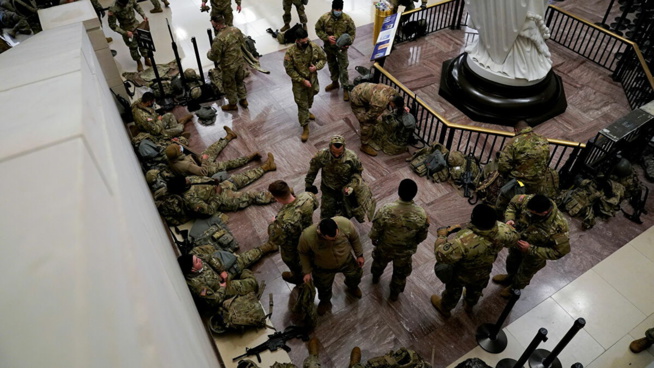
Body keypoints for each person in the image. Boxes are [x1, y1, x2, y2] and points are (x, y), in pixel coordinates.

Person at [431, 204, 519, 317]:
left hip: (461, 273)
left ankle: (445, 307)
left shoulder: (462, 242)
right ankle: (469, 305)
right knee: (476, 289)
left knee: (453, 290)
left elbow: (440, 255)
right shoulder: (504, 230)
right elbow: (514, 239)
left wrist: (442, 237)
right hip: (484, 270)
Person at [492, 194, 570, 297]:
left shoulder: (559, 227)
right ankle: (510, 277)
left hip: (534, 255)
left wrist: (531, 249)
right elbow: (513, 204)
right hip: (518, 243)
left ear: (544, 213)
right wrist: (510, 219)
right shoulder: (529, 200)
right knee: (511, 262)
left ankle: (514, 288)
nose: (529, 214)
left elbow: (559, 252)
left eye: (533, 213)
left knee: (524, 274)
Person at [369, 179, 429, 301]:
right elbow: (422, 236)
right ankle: (394, 293)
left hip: (385, 247)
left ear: (399, 192)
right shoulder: (421, 215)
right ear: (414, 194)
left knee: (379, 263)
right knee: (400, 274)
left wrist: (374, 239)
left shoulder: (386, 209)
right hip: (405, 252)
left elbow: (376, 228)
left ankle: (375, 277)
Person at [166, 154, 277, 215]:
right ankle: (278, 196)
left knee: (241, 177)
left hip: (220, 186)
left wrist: (212, 181)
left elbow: (200, 179)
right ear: (183, 187)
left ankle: (266, 167)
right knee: (251, 195)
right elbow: (209, 211)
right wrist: (218, 194)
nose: (188, 179)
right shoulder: (191, 200)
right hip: (223, 199)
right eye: (186, 181)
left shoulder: (187, 179)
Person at [177, 242, 277, 310]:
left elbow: (210, 258)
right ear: (193, 270)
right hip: (224, 288)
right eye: (197, 261)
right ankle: (243, 272)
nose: (199, 260)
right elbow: (214, 300)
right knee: (252, 285)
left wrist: (221, 271)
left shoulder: (194, 257)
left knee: (244, 258)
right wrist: (222, 288)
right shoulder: (199, 288)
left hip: (222, 273)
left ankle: (268, 246)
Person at [298, 217, 364, 316]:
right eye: (331, 239)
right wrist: (307, 271)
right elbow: (303, 253)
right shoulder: (307, 236)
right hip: (323, 267)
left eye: (337, 236)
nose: (335, 239)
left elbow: (354, 238)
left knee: (355, 275)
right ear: (322, 234)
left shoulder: (345, 224)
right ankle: (325, 301)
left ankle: (353, 287)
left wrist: (360, 255)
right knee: (323, 286)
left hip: (346, 260)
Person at [264, 180, 319, 285]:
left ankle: (298, 277)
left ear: (277, 199)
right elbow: (316, 204)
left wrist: (273, 223)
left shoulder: (282, 219)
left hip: (293, 248)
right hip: (309, 236)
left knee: (294, 263)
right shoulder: (307, 197)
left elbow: (275, 239)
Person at [305, 135, 364, 219]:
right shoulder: (322, 155)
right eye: (333, 152)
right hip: (328, 189)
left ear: (344, 148)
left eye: (339, 153)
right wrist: (308, 184)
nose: (336, 155)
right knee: (326, 214)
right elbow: (313, 170)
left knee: (346, 214)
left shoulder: (352, 158)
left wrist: (351, 186)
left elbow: (357, 175)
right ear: (329, 148)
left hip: (345, 190)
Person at [164, 127, 263, 177]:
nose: (179, 146)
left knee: (212, 148)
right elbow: (203, 173)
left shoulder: (170, 157)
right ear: (178, 154)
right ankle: (250, 158)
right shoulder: (186, 165)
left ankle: (229, 136)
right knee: (228, 164)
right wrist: (205, 161)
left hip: (197, 160)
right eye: (178, 148)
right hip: (204, 167)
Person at [284, 28, 327, 142]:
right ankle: (305, 127)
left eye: (306, 40)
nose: (305, 43)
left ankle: (307, 111)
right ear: (297, 41)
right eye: (303, 42)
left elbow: (323, 58)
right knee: (302, 104)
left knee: (310, 99)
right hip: (299, 83)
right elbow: (289, 69)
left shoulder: (314, 47)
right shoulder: (290, 52)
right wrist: (302, 80)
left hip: (312, 81)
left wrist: (316, 67)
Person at [497, 120, 557, 198]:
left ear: (515, 130)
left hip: (518, 182)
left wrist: (504, 175)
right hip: (538, 180)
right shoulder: (543, 139)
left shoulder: (514, 142)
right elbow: (547, 158)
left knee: (507, 199)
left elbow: (503, 166)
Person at [314, 0, 356, 101]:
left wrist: (348, 43)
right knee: (332, 65)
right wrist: (326, 37)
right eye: (336, 9)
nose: (338, 11)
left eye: (340, 9)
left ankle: (345, 88)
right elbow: (317, 29)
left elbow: (352, 33)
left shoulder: (347, 19)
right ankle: (335, 82)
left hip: (342, 49)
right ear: (332, 8)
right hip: (329, 48)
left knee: (343, 68)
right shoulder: (325, 18)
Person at [349, 82, 405, 156]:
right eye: (394, 106)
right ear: (392, 103)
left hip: (363, 88)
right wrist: (366, 119)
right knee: (366, 123)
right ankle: (364, 145)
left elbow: (399, 100)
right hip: (356, 97)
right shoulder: (380, 102)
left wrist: (403, 107)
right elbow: (368, 117)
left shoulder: (394, 93)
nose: (393, 108)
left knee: (373, 119)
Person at [207, 15, 249, 111]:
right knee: (239, 81)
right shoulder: (236, 30)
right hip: (239, 62)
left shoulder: (219, 39)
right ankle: (243, 99)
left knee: (229, 85)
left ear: (216, 25)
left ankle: (233, 104)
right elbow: (242, 42)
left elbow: (214, 56)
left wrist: (209, 52)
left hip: (228, 66)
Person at [108, 0, 150, 72]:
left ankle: (146, 58)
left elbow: (136, 5)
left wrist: (143, 15)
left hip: (137, 25)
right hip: (126, 29)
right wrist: (124, 33)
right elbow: (112, 25)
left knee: (142, 43)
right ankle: (138, 62)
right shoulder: (113, 8)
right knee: (133, 47)